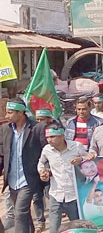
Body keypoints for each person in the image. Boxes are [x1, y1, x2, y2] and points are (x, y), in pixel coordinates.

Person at [0, 99, 47, 233]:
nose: (6, 116)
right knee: (24, 214)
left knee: (19, 213)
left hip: (29, 179)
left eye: (10, 112)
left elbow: (46, 151)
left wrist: (45, 169)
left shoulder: (37, 128)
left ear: (20, 112)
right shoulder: (5, 129)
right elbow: (2, 155)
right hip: (12, 180)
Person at [37, 123, 86, 233]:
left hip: (74, 195)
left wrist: (81, 160)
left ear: (62, 136)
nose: (49, 140)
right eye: (47, 137)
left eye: (53, 137)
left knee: (78, 227)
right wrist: (43, 172)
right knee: (54, 228)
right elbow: (41, 163)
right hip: (56, 194)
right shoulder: (47, 150)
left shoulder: (76, 147)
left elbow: (88, 160)